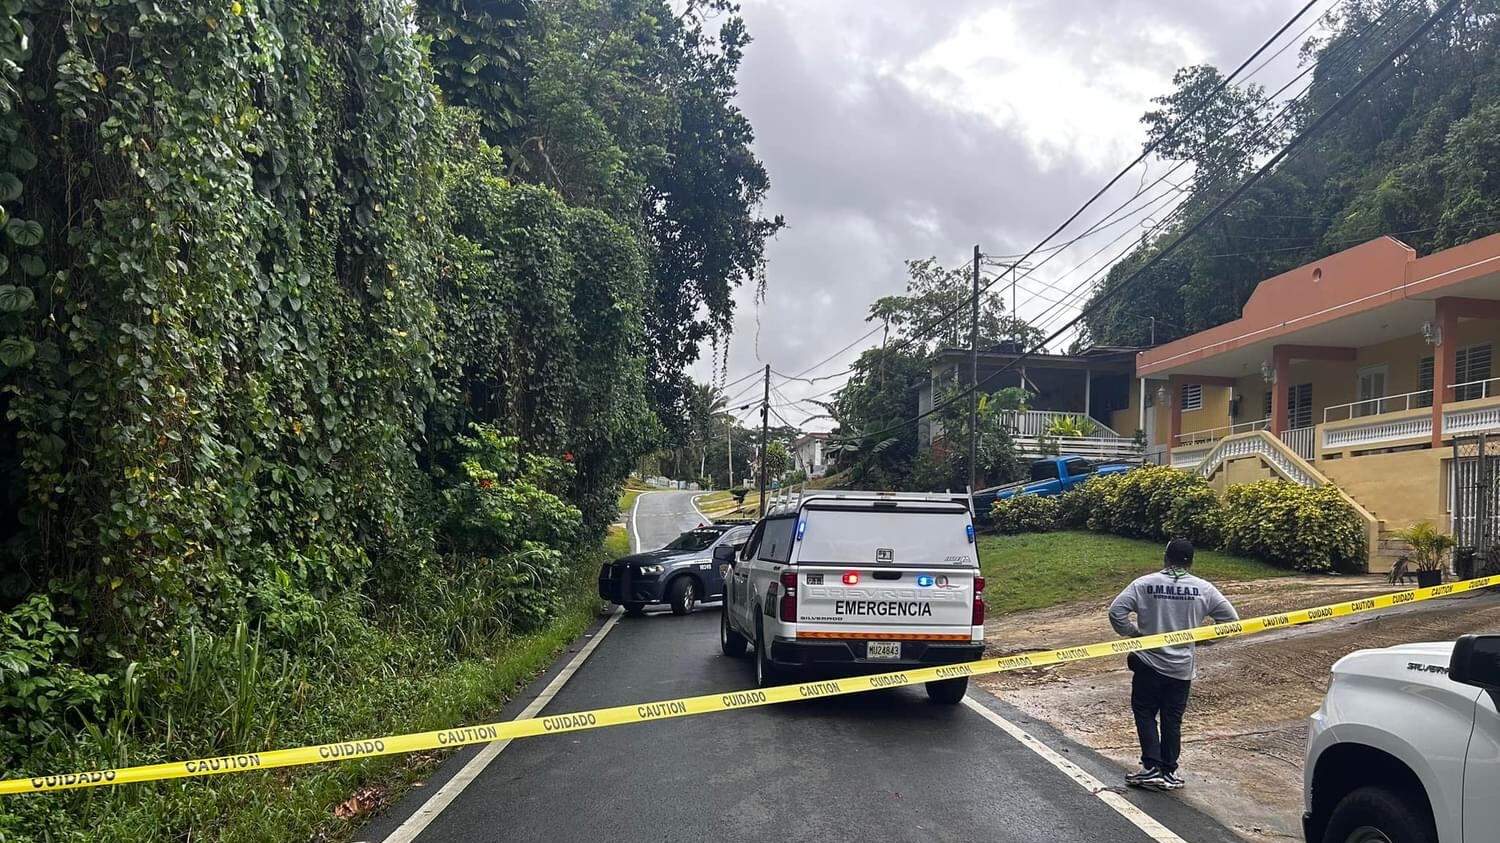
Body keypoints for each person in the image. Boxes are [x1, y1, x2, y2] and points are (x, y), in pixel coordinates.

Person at [1108, 538, 1238, 792]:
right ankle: (1169, 770)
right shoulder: (1204, 589)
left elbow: (1116, 611)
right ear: (1191, 561)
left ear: (1166, 557)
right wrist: (1203, 640)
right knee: (1172, 719)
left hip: (1148, 662)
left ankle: (1151, 767)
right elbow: (1231, 621)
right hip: (1181, 667)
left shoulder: (1144, 584)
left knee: (1145, 713)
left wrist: (1133, 633)